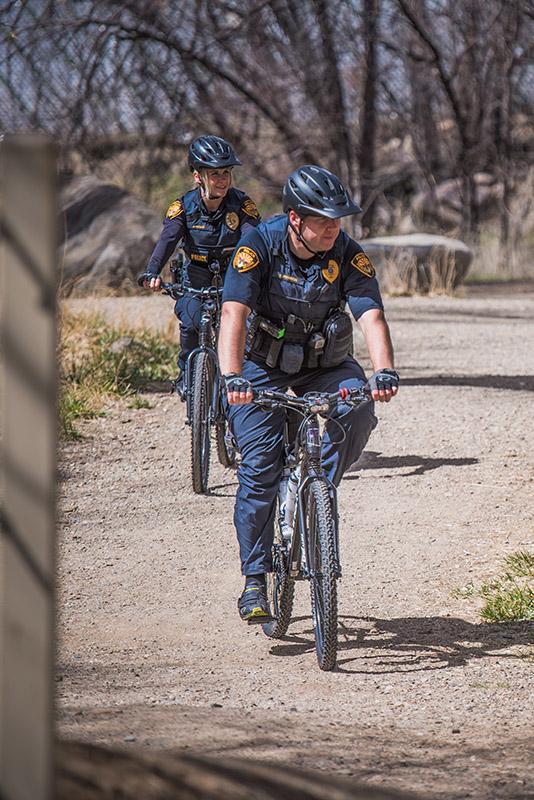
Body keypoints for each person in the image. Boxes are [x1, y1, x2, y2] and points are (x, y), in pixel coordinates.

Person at [217, 164, 399, 622]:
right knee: (259, 467)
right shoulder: (259, 244)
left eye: (339, 219)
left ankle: (318, 491)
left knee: (357, 410)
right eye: (325, 219)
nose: (334, 227)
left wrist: (384, 371)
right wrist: (233, 376)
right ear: (296, 218)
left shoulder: (347, 252)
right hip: (262, 369)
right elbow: (234, 314)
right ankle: (255, 580)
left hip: (325, 365)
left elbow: (371, 315)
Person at [138, 134, 261, 392]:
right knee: (192, 321)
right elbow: (168, 240)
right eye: (214, 173)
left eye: (226, 173)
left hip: (232, 274)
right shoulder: (183, 207)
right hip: (195, 275)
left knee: (246, 326)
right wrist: (152, 271)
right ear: (197, 176)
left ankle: (242, 381)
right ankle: (187, 373)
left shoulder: (242, 204)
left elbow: (253, 240)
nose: (222, 180)